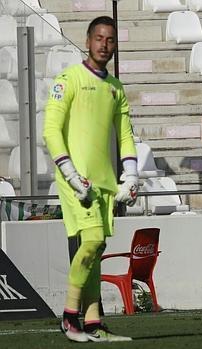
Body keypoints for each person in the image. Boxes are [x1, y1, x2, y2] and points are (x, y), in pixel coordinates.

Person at [43, 16, 135, 342]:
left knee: (96, 248)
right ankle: (70, 316)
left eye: (110, 40)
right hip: (74, 180)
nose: (104, 45)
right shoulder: (67, 79)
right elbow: (51, 130)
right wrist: (69, 173)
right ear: (87, 40)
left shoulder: (115, 88)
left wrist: (131, 175)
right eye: (99, 38)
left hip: (103, 182)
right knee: (93, 240)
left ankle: (94, 321)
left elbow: (125, 136)